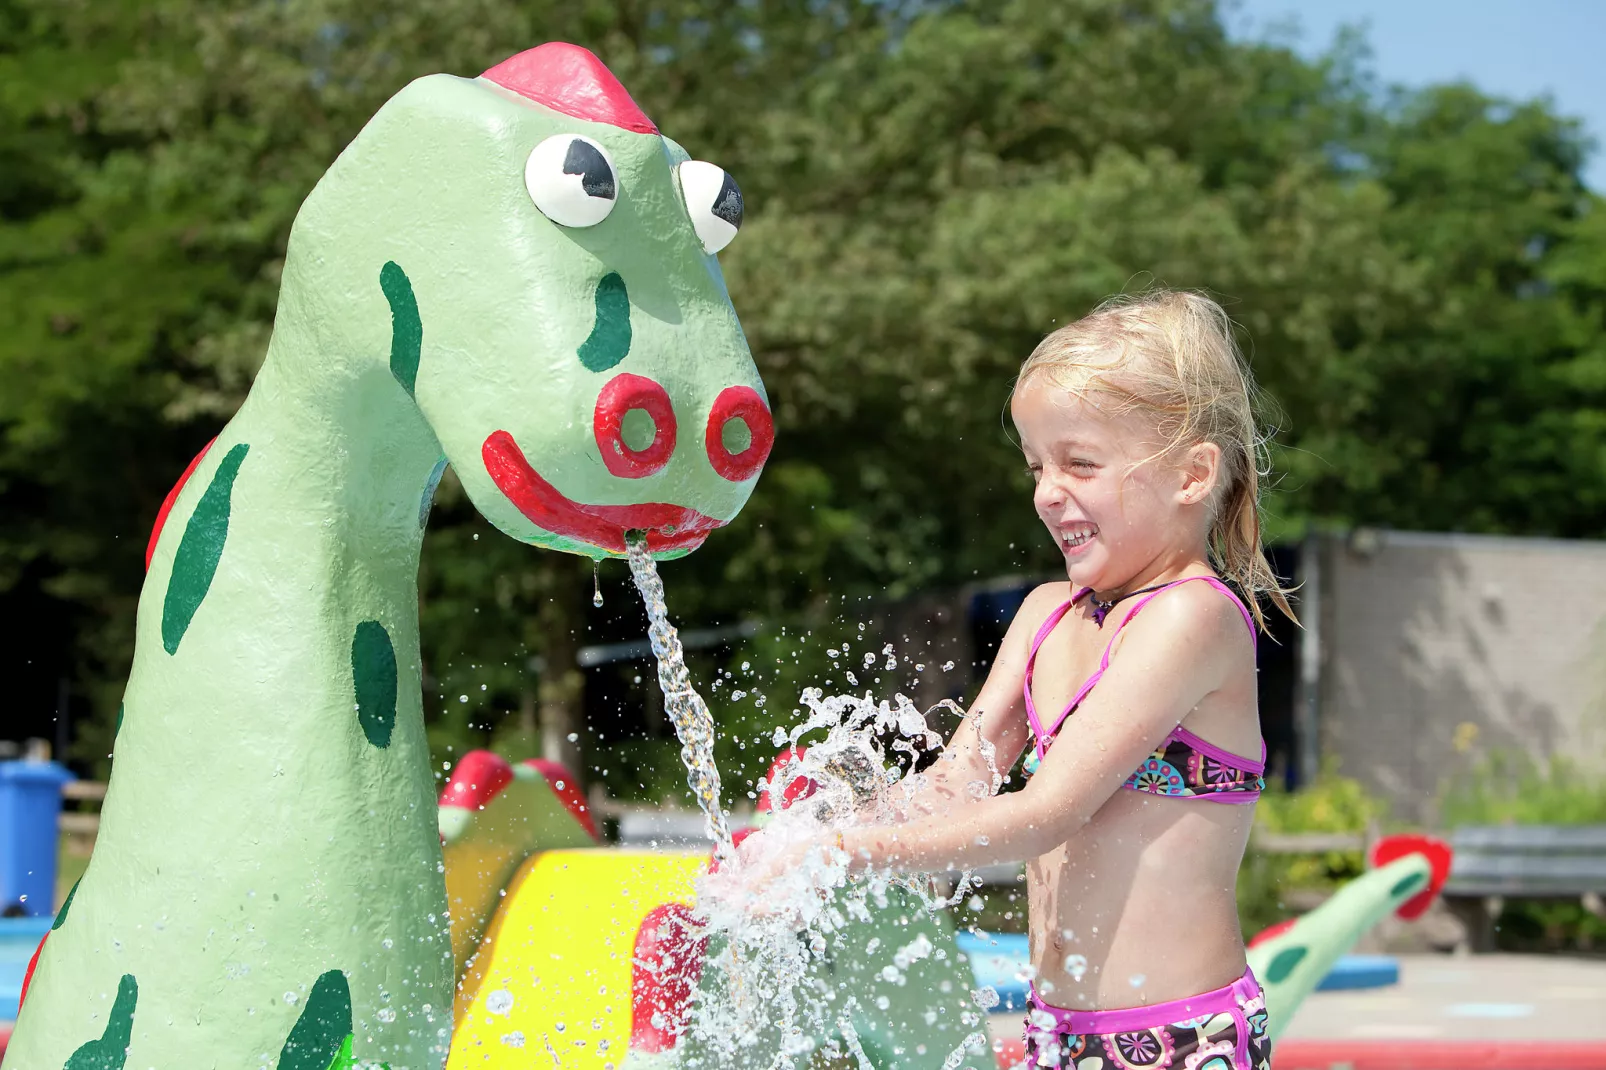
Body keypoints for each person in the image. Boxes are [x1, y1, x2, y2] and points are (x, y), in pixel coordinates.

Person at [736, 290, 1295, 1069]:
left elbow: (1048, 812)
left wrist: (844, 848)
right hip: (1053, 1035)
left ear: (1192, 475)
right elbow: (958, 781)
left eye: (1080, 463)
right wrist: (811, 834)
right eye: (1036, 465)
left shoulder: (1191, 618)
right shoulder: (1042, 617)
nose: (1047, 491)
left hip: (1182, 1042)